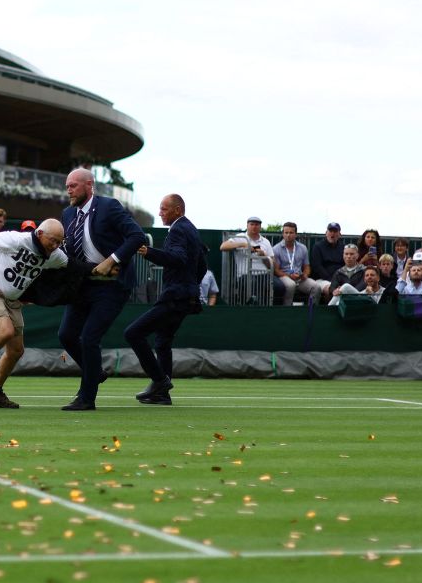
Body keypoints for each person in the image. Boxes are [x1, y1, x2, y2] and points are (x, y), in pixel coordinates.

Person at [56, 168, 145, 411]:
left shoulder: (109, 206)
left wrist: (111, 260)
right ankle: (95, 371)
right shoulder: (67, 214)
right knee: (66, 335)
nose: (69, 190)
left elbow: (137, 236)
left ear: (89, 185)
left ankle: (87, 399)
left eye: (74, 185)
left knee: (90, 338)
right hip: (83, 284)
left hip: (112, 286)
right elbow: (69, 250)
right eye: (67, 186)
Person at [0, 218, 67, 409]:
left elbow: (71, 265)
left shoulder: (54, 255)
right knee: (6, 331)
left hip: (11, 300)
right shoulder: (17, 239)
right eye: (53, 240)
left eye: (60, 241)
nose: (56, 245)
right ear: (40, 234)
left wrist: (99, 268)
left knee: (16, 350)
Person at [123, 194, 207, 405]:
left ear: (177, 210)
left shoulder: (178, 229)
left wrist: (148, 252)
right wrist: (190, 285)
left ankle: (160, 381)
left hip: (175, 296)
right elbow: (202, 266)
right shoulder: (191, 229)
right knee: (162, 342)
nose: (159, 213)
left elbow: (178, 259)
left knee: (133, 333)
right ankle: (162, 395)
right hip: (185, 295)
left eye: (163, 209)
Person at [219, 216, 275, 304]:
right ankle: (249, 307)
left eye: (256, 225)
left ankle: (270, 308)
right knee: (253, 283)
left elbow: (272, 263)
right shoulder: (240, 237)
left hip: (264, 274)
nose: (254, 227)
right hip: (245, 274)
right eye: (251, 224)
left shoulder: (265, 241)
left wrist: (263, 256)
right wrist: (243, 244)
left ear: (260, 227)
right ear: (247, 225)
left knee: (280, 286)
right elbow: (223, 246)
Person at [273, 221, 318, 304]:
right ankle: (287, 310)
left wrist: (305, 274)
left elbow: (307, 266)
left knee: (316, 287)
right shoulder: (276, 249)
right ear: (283, 234)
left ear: (296, 234)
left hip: (299, 277)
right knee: (290, 285)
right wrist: (289, 276)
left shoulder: (303, 248)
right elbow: (276, 270)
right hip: (284, 276)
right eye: (286, 232)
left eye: (291, 232)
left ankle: (311, 312)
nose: (288, 235)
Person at [310, 222, 345, 301]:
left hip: (340, 279)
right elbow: (317, 266)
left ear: (339, 234)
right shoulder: (318, 246)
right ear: (326, 233)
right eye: (330, 231)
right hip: (322, 279)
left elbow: (345, 265)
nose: (332, 234)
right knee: (332, 290)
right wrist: (332, 280)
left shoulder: (343, 247)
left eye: (335, 231)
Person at [330, 265, 395, 306]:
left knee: (346, 287)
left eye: (372, 275)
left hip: (375, 319)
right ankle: (328, 310)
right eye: (367, 275)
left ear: (378, 278)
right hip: (360, 316)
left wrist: (371, 295)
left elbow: (378, 309)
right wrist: (339, 293)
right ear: (364, 280)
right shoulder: (363, 292)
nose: (369, 277)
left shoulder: (384, 291)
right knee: (338, 302)